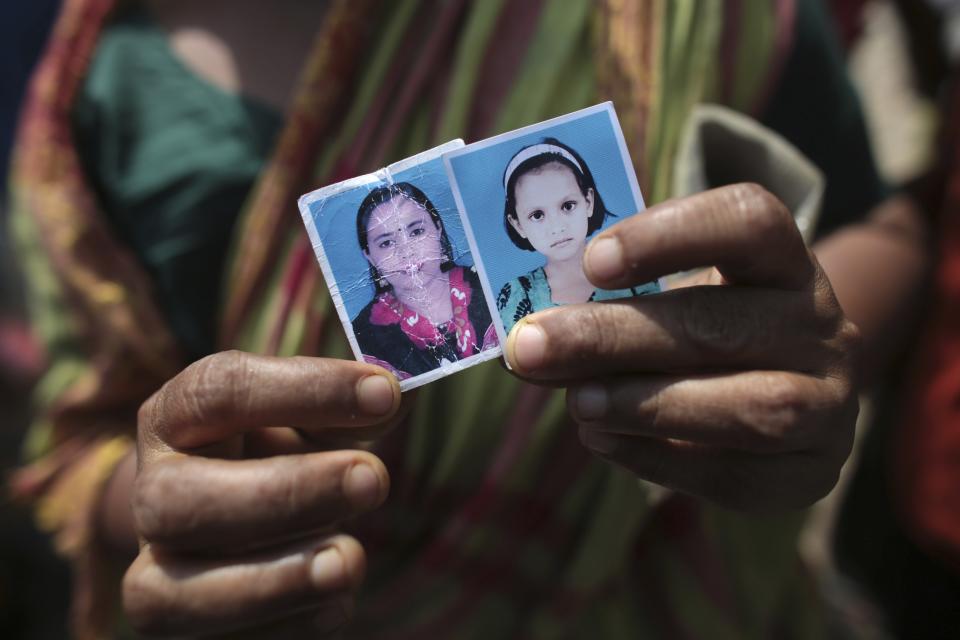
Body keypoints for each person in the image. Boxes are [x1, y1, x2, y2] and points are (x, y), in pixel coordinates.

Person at [7, 0, 914, 638]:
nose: (404, 253)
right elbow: (83, 435)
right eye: (383, 240)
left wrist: (795, 360)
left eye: (418, 231)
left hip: (663, 582)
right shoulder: (100, 77)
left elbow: (880, 225)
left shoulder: (686, 13)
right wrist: (184, 507)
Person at [497, 138, 659, 332]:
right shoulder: (517, 295)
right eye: (537, 215)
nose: (557, 227)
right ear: (518, 225)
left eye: (568, 206)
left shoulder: (636, 271)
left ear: (588, 202)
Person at [352, 182, 495, 378]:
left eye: (416, 232)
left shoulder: (492, 286)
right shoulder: (362, 335)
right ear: (369, 255)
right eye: (386, 243)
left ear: (437, 229)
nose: (406, 251)